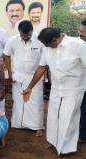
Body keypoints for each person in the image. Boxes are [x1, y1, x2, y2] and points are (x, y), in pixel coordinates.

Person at [22, 27, 86, 155]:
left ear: (55, 40)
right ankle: (55, 143)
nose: (45, 47)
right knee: (53, 118)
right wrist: (29, 87)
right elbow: (41, 68)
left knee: (68, 119)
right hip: (56, 89)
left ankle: (66, 149)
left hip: (73, 90)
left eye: (47, 44)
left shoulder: (79, 45)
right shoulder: (48, 47)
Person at [3, 20, 44, 136]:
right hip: (18, 76)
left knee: (35, 102)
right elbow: (6, 55)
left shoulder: (39, 39)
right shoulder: (13, 40)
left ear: (32, 31)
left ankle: (38, 127)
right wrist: (10, 74)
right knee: (19, 100)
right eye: (23, 35)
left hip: (35, 76)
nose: (25, 38)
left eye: (28, 35)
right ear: (19, 32)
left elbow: (45, 59)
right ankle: (18, 124)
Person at [78, 19, 86, 143]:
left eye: (84, 31)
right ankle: (83, 136)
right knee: (83, 109)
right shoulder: (80, 44)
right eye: (81, 30)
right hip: (83, 85)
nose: (81, 33)